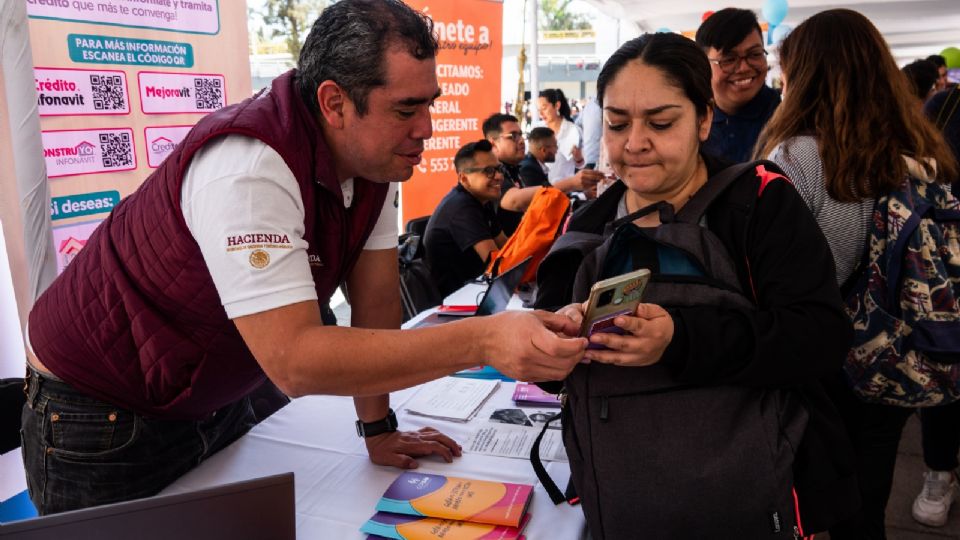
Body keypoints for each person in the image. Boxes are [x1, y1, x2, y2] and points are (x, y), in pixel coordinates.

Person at [21, 0, 587, 515]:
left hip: (206, 396)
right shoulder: (249, 164)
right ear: (334, 102)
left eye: (429, 104)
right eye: (406, 109)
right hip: (99, 415)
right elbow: (295, 360)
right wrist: (484, 339)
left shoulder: (373, 163)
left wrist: (379, 426)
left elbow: (375, 311)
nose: (427, 129)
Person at [549, 31, 856, 536]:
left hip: (753, 492)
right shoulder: (586, 227)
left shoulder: (758, 204)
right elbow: (554, 379)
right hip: (623, 496)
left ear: (705, 120)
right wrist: (554, 343)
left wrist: (679, 339)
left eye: (662, 122)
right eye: (617, 123)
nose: (635, 143)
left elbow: (821, 338)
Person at [755, 9, 959, 537]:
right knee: (869, 499)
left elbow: (785, 272)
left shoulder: (799, 155)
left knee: (813, 498)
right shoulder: (918, 148)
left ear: (808, 74)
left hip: (826, 363)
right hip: (899, 352)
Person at [423, 140, 508, 297]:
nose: (499, 176)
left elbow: (505, 246)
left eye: (499, 169)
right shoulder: (462, 208)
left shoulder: (482, 199)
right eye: (489, 171)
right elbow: (496, 264)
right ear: (464, 178)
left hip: (478, 289)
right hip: (457, 302)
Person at [695, 7, 780, 163]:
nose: (744, 68)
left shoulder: (784, 119)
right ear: (703, 65)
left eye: (755, 54)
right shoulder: (692, 119)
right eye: (729, 59)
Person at [481, 113, 540, 236]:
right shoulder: (490, 172)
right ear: (493, 144)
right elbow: (515, 201)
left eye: (521, 135)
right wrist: (568, 185)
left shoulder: (514, 168)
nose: (522, 141)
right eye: (513, 136)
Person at [519, 127, 601, 197]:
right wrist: (582, 194)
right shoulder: (529, 169)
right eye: (555, 146)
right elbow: (546, 197)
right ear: (544, 150)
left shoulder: (533, 164)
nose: (557, 149)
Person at [537, 88, 584, 182]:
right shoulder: (537, 129)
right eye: (539, 109)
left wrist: (578, 158)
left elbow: (580, 164)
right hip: (540, 188)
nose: (541, 113)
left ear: (557, 105)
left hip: (565, 189)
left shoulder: (573, 130)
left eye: (544, 108)